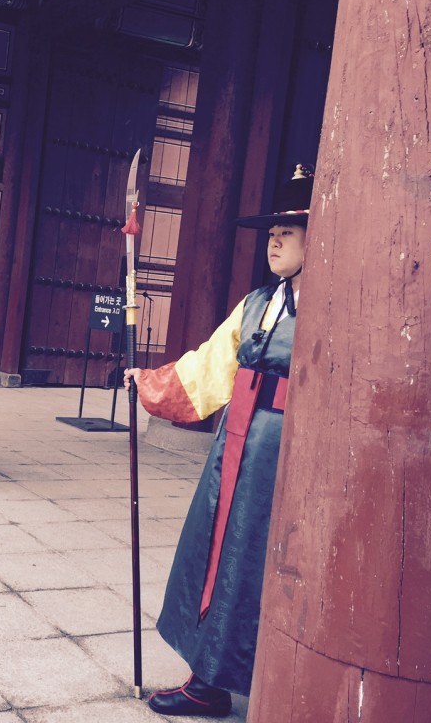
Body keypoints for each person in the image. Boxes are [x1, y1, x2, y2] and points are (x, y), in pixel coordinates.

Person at [124, 165, 314, 717]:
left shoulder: (334, 309)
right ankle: (206, 678)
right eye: (272, 230)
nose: (274, 240)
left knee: (260, 561)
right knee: (215, 551)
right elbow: (209, 365)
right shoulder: (258, 302)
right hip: (238, 443)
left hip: (286, 451)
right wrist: (150, 384)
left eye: (289, 230)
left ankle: (269, 678)